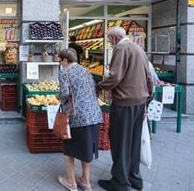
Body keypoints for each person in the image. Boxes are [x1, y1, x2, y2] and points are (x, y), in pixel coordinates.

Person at [97, 27, 153, 191]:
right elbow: (149, 77)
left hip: (124, 103)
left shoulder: (121, 48)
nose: (110, 43)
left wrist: (99, 86)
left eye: (109, 40)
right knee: (134, 142)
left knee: (120, 141)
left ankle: (120, 183)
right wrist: (146, 100)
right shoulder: (139, 49)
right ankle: (135, 179)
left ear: (114, 38)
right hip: (139, 102)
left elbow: (115, 77)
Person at [57, 48, 103, 191]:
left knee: (69, 148)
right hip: (94, 114)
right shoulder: (86, 70)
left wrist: (59, 98)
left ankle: (72, 183)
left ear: (65, 60)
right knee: (87, 148)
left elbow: (65, 94)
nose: (60, 63)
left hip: (77, 116)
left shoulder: (64, 72)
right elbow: (94, 89)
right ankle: (85, 181)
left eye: (60, 61)